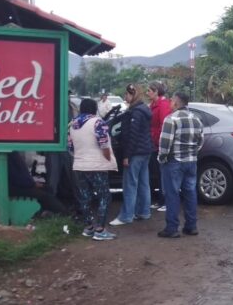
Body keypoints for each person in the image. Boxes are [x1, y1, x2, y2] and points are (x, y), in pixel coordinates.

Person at [67, 99, 118, 241]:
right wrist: (108, 159)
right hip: (96, 166)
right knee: (104, 196)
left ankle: (89, 227)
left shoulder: (72, 124)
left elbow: (70, 148)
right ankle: (100, 229)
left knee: (85, 197)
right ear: (95, 109)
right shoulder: (98, 122)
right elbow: (104, 144)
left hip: (79, 166)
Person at [157, 92, 204, 238]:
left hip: (174, 162)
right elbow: (200, 141)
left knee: (172, 194)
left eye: (171, 101)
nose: (170, 103)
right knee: (190, 192)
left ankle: (172, 228)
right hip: (191, 161)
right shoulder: (197, 119)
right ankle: (191, 226)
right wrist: (192, 153)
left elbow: (165, 144)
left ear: (176, 103)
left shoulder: (171, 119)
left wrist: (161, 159)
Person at [110, 84, 153, 226]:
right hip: (145, 151)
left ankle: (126, 216)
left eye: (127, 94)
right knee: (143, 183)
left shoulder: (136, 112)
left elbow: (132, 136)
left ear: (134, 95)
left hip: (135, 153)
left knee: (130, 184)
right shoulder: (143, 110)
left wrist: (127, 155)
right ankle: (143, 212)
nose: (125, 97)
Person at [5, 151, 69, 217]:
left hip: (14, 185)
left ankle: (46, 212)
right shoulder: (10, 154)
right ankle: (64, 214)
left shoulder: (9, 153)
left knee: (47, 189)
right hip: (14, 188)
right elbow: (17, 177)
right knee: (45, 194)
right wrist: (32, 184)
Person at [147, 81, 173, 212]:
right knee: (156, 174)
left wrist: (160, 142)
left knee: (163, 174)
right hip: (153, 143)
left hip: (159, 144)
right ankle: (159, 200)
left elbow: (164, 125)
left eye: (149, 91)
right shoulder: (153, 105)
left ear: (156, 91)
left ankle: (165, 201)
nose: (147, 93)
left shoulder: (163, 105)